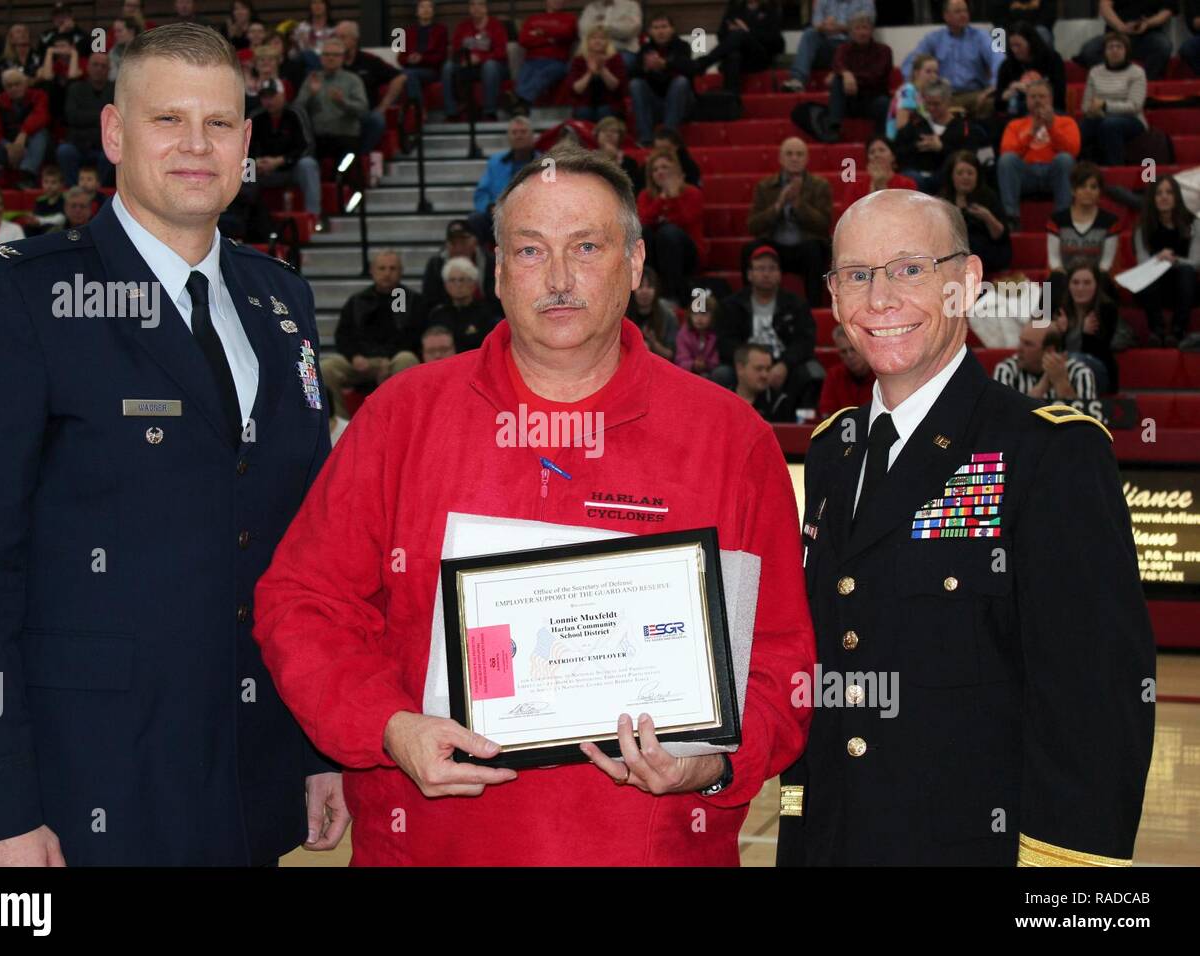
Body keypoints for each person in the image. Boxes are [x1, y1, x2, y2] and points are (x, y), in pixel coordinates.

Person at [251, 141, 815, 866]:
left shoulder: (730, 441)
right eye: (528, 250)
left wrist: (711, 763)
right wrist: (388, 726)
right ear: (496, 269)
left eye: (586, 247)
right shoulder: (402, 417)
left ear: (636, 266)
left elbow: (780, 658)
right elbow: (302, 602)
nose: (557, 278)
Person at [0, 22, 343, 867]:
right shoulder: (21, 295)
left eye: (218, 124)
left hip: (251, 774)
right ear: (113, 133)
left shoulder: (280, 298)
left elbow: (305, 547)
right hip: (81, 785)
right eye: (166, 120)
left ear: (247, 142)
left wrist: (316, 748)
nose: (195, 145)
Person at [776, 188, 1154, 866]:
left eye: (909, 269)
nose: (881, 298)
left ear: (967, 284)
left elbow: (1096, 699)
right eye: (857, 275)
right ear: (834, 295)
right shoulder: (834, 453)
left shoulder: (1047, 452)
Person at [713, 244, 820, 411]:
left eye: (772, 268)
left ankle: (802, 424)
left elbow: (805, 341)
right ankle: (722, 419)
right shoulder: (732, 305)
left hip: (783, 363)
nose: (766, 273)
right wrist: (748, 365)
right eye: (761, 268)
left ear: (779, 274)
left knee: (812, 373)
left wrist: (784, 364)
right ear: (749, 274)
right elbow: (725, 341)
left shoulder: (796, 304)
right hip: (747, 363)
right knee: (721, 374)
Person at [323, 248, 425, 418]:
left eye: (393, 269)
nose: (387, 273)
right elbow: (343, 335)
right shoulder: (357, 300)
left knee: (407, 359)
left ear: (401, 272)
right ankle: (341, 425)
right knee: (326, 368)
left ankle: (402, 419)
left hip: (394, 360)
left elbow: (415, 336)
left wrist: (386, 359)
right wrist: (354, 356)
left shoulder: (413, 301)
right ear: (372, 270)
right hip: (361, 362)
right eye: (382, 268)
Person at [744, 137, 833, 304]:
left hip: (805, 246)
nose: (794, 158)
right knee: (750, 250)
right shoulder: (765, 186)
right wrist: (778, 206)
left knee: (814, 250)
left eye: (799, 154)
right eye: (789, 154)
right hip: (775, 246)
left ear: (806, 159)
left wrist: (799, 205)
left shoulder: (820, 185)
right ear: (780, 158)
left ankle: (814, 308)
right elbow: (753, 226)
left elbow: (823, 225)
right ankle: (748, 305)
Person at [997, 80, 1080, 230]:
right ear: (1027, 100)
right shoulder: (1015, 125)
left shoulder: (1067, 122)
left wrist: (1051, 128)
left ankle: (1063, 220)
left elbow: (1072, 151)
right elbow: (1007, 152)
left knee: (1065, 159)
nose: (1037, 101)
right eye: (1033, 97)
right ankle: (1012, 219)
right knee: (1007, 160)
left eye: (1042, 96)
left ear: (1051, 99)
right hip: (1025, 175)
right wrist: (1031, 133)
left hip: (1054, 173)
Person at [900, 0, 1003, 119]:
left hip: (974, 94)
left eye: (965, 11)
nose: (963, 15)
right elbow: (912, 61)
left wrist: (991, 89)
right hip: (943, 95)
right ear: (946, 16)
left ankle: (979, 135)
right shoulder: (934, 38)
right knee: (923, 104)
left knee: (993, 103)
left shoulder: (981, 36)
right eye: (958, 11)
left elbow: (999, 60)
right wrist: (913, 86)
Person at [246, 79, 325, 231]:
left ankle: (313, 218)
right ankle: (245, 221)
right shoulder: (256, 116)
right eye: (264, 97)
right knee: (245, 167)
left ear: (282, 95)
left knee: (308, 164)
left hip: (291, 168)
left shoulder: (295, 113)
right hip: (263, 170)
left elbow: (307, 147)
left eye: (272, 96)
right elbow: (244, 149)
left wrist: (280, 161)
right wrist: (256, 161)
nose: (268, 101)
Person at [1133, 175, 1199, 346]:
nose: (1164, 197)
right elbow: (1142, 263)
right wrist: (1158, 259)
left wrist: (1174, 260)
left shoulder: (1193, 223)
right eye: (1159, 193)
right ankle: (1157, 330)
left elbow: (1196, 262)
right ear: (1152, 199)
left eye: (1169, 192)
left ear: (1177, 196)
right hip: (1154, 288)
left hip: (1184, 286)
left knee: (1186, 272)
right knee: (1147, 276)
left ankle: (1178, 331)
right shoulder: (1143, 227)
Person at [294, 39, 368, 189]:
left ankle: (351, 202)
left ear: (343, 58)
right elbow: (296, 110)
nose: (331, 58)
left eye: (335, 55)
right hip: (317, 138)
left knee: (348, 166)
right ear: (321, 58)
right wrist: (311, 95)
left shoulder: (352, 80)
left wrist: (343, 102)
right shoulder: (312, 79)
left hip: (345, 137)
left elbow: (363, 109)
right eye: (327, 54)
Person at [636, 150, 706, 304]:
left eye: (664, 167)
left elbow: (686, 221)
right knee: (645, 233)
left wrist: (674, 197)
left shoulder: (692, 193)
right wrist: (661, 199)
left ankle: (672, 296)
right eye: (655, 169)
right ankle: (648, 290)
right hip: (656, 254)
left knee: (667, 233)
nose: (660, 172)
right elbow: (642, 222)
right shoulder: (645, 196)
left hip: (687, 255)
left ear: (676, 170)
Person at [1047, 162, 1122, 305]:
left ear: (1100, 191)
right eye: (1082, 186)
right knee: (1054, 280)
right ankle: (1043, 323)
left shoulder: (1110, 222)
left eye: (1093, 187)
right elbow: (1054, 260)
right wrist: (1073, 281)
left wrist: (1086, 280)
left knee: (1104, 280)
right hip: (1066, 276)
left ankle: (1109, 325)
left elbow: (1106, 263)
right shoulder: (1057, 220)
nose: (1088, 191)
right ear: (1073, 190)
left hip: (1096, 277)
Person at [333, 21, 405, 156]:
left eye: (343, 37)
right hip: (337, 116)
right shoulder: (331, 62)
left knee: (377, 120)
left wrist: (383, 106)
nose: (338, 42)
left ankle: (358, 158)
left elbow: (399, 78)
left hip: (364, 115)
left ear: (354, 40)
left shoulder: (369, 61)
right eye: (336, 37)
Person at [1080, 32, 1148, 167]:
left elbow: (1135, 106)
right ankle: (1082, 171)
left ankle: (1116, 169)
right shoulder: (1095, 71)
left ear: (1126, 51)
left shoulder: (1137, 72)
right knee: (1082, 126)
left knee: (1110, 125)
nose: (1114, 50)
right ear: (1105, 52)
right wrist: (1091, 110)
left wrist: (1105, 105)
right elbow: (1085, 105)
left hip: (1132, 119)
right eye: (1110, 47)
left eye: (1119, 47)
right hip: (1100, 116)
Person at [821, 12, 891, 144]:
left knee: (884, 103)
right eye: (857, 28)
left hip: (873, 100)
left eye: (865, 28)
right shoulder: (843, 48)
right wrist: (845, 74)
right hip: (850, 100)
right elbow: (837, 63)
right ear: (851, 32)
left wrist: (850, 76)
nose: (862, 32)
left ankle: (880, 140)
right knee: (838, 79)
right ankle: (833, 129)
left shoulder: (884, 51)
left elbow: (875, 76)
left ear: (871, 30)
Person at [469, 116, 538, 245]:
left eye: (523, 132)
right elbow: (481, 193)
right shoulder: (496, 162)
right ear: (509, 137)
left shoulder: (545, 162)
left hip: (533, 216)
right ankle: (485, 260)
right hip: (499, 215)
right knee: (475, 219)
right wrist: (490, 206)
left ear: (533, 137)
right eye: (514, 133)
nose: (518, 136)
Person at [693, 0, 784, 98]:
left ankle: (703, 63)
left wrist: (747, 31)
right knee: (733, 55)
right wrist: (731, 32)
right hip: (739, 57)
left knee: (740, 34)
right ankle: (732, 101)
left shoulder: (771, 10)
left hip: (759, 57)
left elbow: (775, 41)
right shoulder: (735, 9)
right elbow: (721, 35)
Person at [628, 14, 695, 146]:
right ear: (650, 31)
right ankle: (645, 138)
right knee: (635, 84)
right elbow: (632, 73)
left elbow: (690, 69)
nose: (660, 31)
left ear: (672, 29)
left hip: (680, 102)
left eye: (664, 27)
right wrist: (646, 68)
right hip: (655, 103)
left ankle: (668, 137)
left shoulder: (683, 46)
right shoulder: (645, 49)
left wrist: (664, 64)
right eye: (656, 27)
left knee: (681, 82)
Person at [782, 0, 876, 94]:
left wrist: (839, 27)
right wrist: (825, 26)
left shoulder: (866, 2)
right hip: (827, 46)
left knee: (859, 35)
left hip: (851, 46)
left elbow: (868, 27)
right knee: (809, 33)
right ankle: (797, 80)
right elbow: (816, 24)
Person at [940, 150, 1011, 275]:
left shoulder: (988, 196)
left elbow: (1000, 235)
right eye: (960, 173)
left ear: (977, 176)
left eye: (970, 173)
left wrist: (987, 217)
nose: (965, 177)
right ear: (952, 176)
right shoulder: (944, 198)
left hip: (986, 254)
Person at [993, 319, 1100, 400]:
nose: (1019, 349)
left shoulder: (1080, 373)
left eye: (1028, 344)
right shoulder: (1006, 370)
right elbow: (1002, 418)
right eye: (1021, 341)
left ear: (1049, 350)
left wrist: (1061, 383)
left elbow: (1087, 425)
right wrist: (1042, 387)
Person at [1057, 258, 1120, 393]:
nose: (1080, 288)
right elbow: (1057, 350)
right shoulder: (1062, 310)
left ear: (1096, 285)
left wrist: (1086, 335)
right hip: (1067, 371)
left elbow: (1101, 352)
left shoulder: (1106, 309)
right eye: (1075, 282)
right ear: (1068, 285)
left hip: (1099, 371)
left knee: (1074, 360)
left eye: (1087, 283)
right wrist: (1060, 333)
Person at [993, 19, 1066, 134]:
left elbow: (1060, 95)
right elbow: (998, 103)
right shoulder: (1007, 65)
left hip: (1049, 109)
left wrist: (1030, 90)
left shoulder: (1052, 59)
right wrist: (1006, 94)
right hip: (1016, 112)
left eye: (1019, 45)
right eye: (1012, 46)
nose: (1015, 50)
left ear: (1031, 42)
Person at [442, 0, 510, 122]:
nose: (476, 8)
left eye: (480, 4)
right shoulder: (463, 26)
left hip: (494, 66)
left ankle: (490, 112)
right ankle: (451, 112)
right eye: (472, 4)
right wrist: (463, 60)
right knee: (448, 67)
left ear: (486, 8)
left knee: (490, 66)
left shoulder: (496, 25)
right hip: (468, 65)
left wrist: (480, 58)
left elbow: (501, 52)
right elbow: (456, 50)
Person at [508, 0, 577, 115]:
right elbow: (523, 40)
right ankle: (522, 108)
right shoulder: (533, 18)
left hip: (557, 62)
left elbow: (566, 34)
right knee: (526, 73)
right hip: (532, 61)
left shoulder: (569, 18)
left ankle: (519, 99)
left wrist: (540, 33)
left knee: (542, 74)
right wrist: (549, 39)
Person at [1078, 0, 1175, 80]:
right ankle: (1115, 80)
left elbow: (1167, 11)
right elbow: (1105, 7)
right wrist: (1121, 27)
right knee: (1090, 50)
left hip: (1148, 35)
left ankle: (1143, 83)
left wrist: (1148, 23)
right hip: (1116, 34)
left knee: (1163, 46)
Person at [59, 51, 115, 187]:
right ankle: (74, 190)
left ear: (109, 70)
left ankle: (99, 191)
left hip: (104, 144)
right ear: (88, 67)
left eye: (103, 66)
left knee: (112, 154)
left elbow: (116, 119)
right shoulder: (75, 88)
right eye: (95, 65)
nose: (99, 69)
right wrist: (102, 115)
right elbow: (72, 117)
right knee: (64, 151)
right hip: (78, 142)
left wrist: (85, 116)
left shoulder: (116, 90)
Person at [426, 256, 499, 351]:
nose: (458, 285)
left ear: (473, 284)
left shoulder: (486, 313)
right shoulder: (437, 314)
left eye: (462, 279)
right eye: (452, 280)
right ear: (445, 285)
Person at [422, 219, 495, 312]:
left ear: (475, 242)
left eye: (463, 242)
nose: (459, 248)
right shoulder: (436, 265)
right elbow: (430, 301)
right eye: (454, 243)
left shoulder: (490, 262)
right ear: (447, 245)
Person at [567, 27, 627, 122]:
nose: (597, 41)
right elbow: (576, 89)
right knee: (584, 112)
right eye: (593, 38)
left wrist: (602, 69)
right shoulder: (579, 60)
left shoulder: (615, 58)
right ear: (587, 41)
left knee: (604, 112)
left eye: (602, 38)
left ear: (607, 42)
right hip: (585, 103)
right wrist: (589, 72)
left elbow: (616, 86)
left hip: (610, 103)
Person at [398, 0, 450, 106]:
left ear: (433, 11)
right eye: (422, 7)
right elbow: (400, 57)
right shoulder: (405, 32)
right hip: (411, 68)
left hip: (432, 70)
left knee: (408, 74)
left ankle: (418, 112)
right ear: (417, 12)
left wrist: (422, 58)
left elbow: (441, 56)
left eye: (429, 7)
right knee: (404, 74)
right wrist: (409, 59)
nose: (426, 10)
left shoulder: (441, 30)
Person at [818, 325, 874, 416]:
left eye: (853, 349)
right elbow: (826, 414)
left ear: (865, 348)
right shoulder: (834, 375)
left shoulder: (882, 376)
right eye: (844, 352)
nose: (849, 356)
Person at [625, 266, 678, 359]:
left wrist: (654, 343)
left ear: (656, 290)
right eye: (640, 286)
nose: (645, 291)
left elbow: (671, 355)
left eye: (649, 286)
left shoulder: (668, 315)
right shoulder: (623, 314)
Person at [577, 0, 642, 73]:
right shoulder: (590, 8)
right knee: (576, 66)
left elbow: (629, 31)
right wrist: (617, 26)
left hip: (622, 50)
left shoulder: (631, 6)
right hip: (594, 51)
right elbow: (584, 31)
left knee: (619, 65)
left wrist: (603, 26)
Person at [735, 342, 795, 421]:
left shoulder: (780, 403)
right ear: (740, 368)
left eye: (768, 369)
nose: (765, 375)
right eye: (759, 369)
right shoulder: (723, 400)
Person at [594, 115, 643, 192]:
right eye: (604, 131)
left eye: (613, 131)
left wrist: (613, 160)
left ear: (620, 136)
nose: (608, 134)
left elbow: (631, 189)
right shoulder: (588, 158)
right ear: (597, 135)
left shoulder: (630, 163)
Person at [17, 164, 68, 236]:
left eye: (53, 182)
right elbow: (36, 217)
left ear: (61, 184)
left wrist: (39, 221)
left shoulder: (64, 200)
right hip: (40, 229)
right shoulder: (40, 200)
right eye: (46, 182)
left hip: (56, 231)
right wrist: (32, 219)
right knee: (28, 228)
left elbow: (61, 219)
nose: (49, 186)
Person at [676, 292, 718, 376]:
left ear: (712, 316)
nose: (699, 318)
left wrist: (705, 364)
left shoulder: (715, 335)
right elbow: (680, 360)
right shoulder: (683, 334)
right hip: (687, 373)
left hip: (709, 373)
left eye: (703, 314)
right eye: (695, 313)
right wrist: (693, 364)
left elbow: (715, 360)